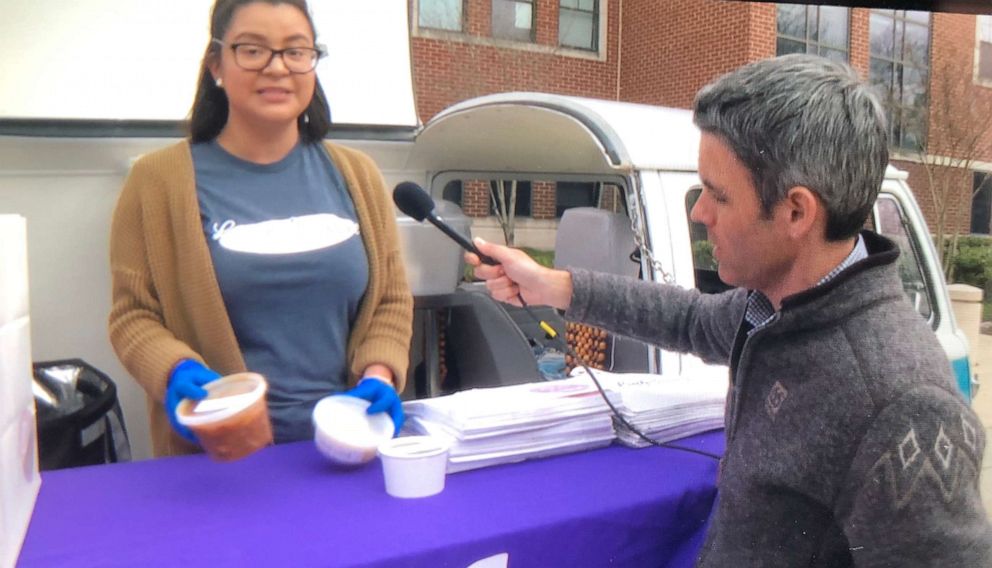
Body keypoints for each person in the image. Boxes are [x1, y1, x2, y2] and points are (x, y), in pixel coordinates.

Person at [467, 54, 992, 566]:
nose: (699, 213)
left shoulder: (901, 404)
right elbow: (687, 318)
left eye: (718, 195)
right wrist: (552, 285)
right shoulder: (776, 307)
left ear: (796, 211)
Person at [108, 0, 412, 457]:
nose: (277, 68)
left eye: (296, 51)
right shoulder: (157, 181)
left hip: (344, 449)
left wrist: (379, 372)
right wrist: (173, 369)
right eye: (252, 51)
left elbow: (390, 298)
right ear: (216, 64)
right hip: (222, 459)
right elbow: (133, 315)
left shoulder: (358, 175)